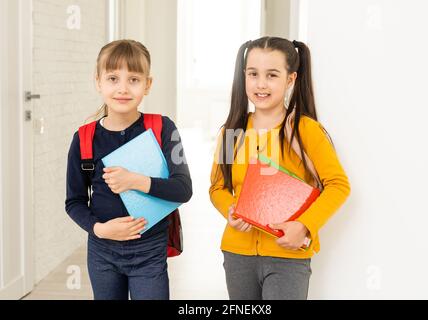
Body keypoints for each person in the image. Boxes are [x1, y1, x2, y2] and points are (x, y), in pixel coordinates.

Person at [209, 36, 351, 300]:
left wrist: (305, 226)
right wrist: (229, 209)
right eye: (253, 74)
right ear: (244, 77)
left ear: (290, 79)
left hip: (288, 255)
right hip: (237, 254)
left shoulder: (306, 130)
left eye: (272, 75)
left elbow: (338, 185)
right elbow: (217, 186)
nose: (261, 84)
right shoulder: (231, 132)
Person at [65, 39, 192, 300]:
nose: (123, 88)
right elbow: (74, 201)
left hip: (150, 251)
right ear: (98, 81)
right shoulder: (84, 138)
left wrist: (136, 181)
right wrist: (99, 229)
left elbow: (183, 189)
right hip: (102, 252)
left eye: (133, 79)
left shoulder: (163, 129)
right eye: (113, 78)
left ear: (148, 84)